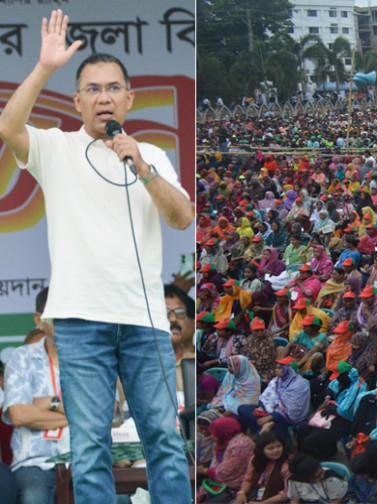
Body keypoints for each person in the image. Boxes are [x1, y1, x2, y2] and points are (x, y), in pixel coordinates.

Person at [0, 10, 194, 501]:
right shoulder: (56, 148)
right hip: (80, 322)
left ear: (129, 98)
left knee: (164, 442)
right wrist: (45, 66)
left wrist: (142, 167)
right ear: (77, 101)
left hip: (144, 320)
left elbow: (181, 218)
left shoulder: (151, 155)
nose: (103, 97)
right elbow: (9, 125)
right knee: (89, 448)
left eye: (112, 88)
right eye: (92, 89)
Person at [2, 325, 68, 504]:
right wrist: (81, 416)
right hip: (35, 462)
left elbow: (109, 412)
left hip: (86, 457)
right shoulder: (22, 357)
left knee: (117, 496)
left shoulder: (90, 355)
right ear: (40, 320)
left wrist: (50, 403)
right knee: (33, 496)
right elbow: (19, 415)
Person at [199, 417, 255, 502]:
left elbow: (224, 474)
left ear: (222, 432)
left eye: (214, 433)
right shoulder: (224, 443)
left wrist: (203, 470)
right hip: (225, 485)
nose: (213, 437)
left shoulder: (239, 446)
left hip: (237, 488)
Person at [233, 432, 291, 504]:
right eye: (271, 448)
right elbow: (248, 480)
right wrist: (242, 493)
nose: (276, 450)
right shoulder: (255, 460)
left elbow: (287, 493)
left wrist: (263, 503)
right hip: (257, 495)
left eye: (279, 446)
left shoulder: (287, 465)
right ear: (262, 450)